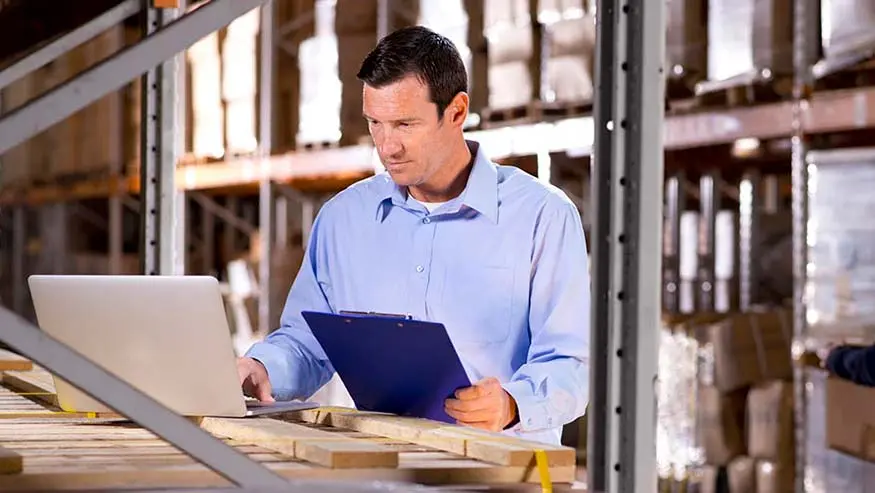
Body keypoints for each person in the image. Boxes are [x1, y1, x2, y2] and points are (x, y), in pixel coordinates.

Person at [237, 25, 590, 445]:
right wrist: (264, 367)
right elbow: (307, 342)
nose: (387, 147)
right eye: (376, 124)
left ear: (457, 112)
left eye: (404, 124)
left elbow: (570, 362)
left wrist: (512, 403)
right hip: (382, 470)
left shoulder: (541, 217)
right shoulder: (343, 220)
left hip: (501, 473)